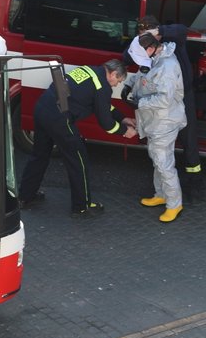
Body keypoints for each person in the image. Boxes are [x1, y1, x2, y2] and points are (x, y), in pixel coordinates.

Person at [18, 58, 137, 218]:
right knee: (78, 160)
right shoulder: (102, 86)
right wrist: (124, 131)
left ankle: (26, 196)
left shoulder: (89, 70)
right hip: (60, 118)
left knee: (39, 155)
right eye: (118, 81)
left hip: (42, 109)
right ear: (113, 73)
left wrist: (122, 118)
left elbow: (102, 105)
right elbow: (107, 124)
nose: (116, 85)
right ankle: (82, 207)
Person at [123, 33, 187, 223]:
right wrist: (129, 85)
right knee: (157, 158)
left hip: (164, 121)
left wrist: (139, 103)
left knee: (163, 163)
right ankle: (161, 194)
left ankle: (174, 204)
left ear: (151, 49)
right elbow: (143, 74)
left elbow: (165, 99)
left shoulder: (167, 67)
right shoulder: (156, 58)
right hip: (156, 120)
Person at [132, 15, 202, 176]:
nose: (144, 41)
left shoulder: (174, 41)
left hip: (183, 95)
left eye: (147, 35)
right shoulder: (142, 46)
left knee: (188, 136)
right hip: (160, 97)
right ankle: (166, 175)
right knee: (161, 138)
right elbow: (129, 56)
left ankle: (193, 177)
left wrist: (159, 30)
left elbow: (182, 30)